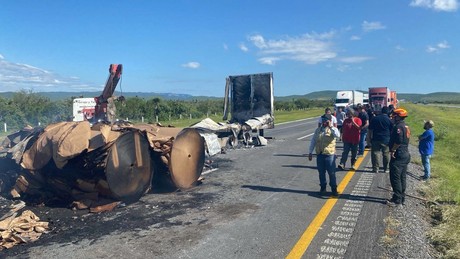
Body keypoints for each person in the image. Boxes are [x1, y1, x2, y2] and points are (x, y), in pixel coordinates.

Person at [309, 114, 341, 196]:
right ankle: (323, 187)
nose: (324, 122)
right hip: (320, 154)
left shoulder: (333, 129)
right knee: (321, 173)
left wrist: (331, 127)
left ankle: (334, 189)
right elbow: (313, 141)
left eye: (326, 121)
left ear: (330, 121)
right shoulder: (318, 130)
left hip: (329, 155)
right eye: (323, 121)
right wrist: (310, 152)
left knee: (331, 173)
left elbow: (337, 136)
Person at [387, 108, 411, 206]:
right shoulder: (406, 126)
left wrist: (393, 149)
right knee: (402, 177)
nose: (392, 117)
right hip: (405, 153)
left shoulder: (398, 127)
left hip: (399, 154)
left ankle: (397, 199)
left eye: (394, 116)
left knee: (395, 177)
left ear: (398, 117)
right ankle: (401, 197)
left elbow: (399, 140)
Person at [368, 106, 393, 173]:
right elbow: (392, 131)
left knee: (375, 153)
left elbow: (370, 129)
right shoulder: (389, 120)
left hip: (376, 138)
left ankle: (376, 168)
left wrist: (369, 138)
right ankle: (386, 168)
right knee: (386, 154)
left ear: (381, 111)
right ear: (388, 112)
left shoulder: (375, 118)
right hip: (386, 139)